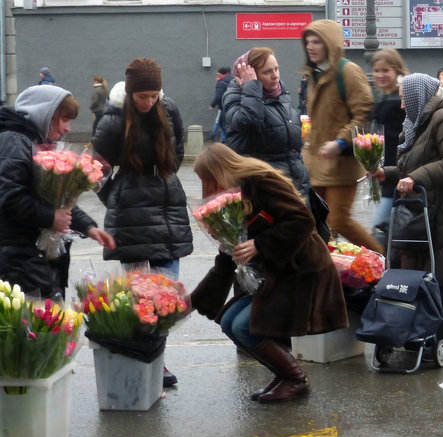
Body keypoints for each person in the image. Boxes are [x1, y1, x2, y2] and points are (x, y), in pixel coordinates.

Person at [190, 143, 347, 404]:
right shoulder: (230, 196)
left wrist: (260, 245)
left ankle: (296, 380)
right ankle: (283, 375)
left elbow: (302, 219)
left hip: (300, 266)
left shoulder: (261, 181)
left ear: (220, 170)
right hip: (275, 271)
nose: (207, 185)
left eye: (207, 178)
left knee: (245, 326)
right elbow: (227, 257)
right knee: (229, 323)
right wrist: (193, 301)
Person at [92, 58, 193, 388]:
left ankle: (157, 360)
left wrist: (165, 173)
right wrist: (115, 195)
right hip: (132, 212)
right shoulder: (113, 119)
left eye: (154, 96)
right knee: (142, 298)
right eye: (143, 97)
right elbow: (97, 167)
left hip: (168, 204)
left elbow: (177, 148)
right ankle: (150, 362)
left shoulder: (169, 109)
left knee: (168, 295)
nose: (149, 103)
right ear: (131, 92)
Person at [374, 73, 443, 357]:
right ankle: (422, 334)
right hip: (424, 210)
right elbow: (417, 163)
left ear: (418, 96)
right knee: (422, 272)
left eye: (405, 99)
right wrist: (390, 173)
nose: (402, 106)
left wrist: (416, 178)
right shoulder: (420, 122)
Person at [0, 86, 115, 299]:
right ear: (44, 114)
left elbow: (56, 198)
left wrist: (88, 226)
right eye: (63, 120)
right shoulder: (15, 142)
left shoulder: (36, 142)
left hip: (32, 256)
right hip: (17, 256)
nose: (67, 128)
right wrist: (51, 217)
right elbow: (9, 196)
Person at [301, 19, 383, 254]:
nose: (310, 46)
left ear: (330, 43)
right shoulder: (314, 74)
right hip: (315, 163)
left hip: (340, 165)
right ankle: (331, 274)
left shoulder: (347, 71)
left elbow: (365, 111)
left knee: (338, 220)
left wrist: (339, 142)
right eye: (308, 41)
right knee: (315, 224)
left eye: (316, 41)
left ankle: (382, 260)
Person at [221, 48, 309, 196]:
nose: (275, 76)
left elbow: (292, 151)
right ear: (250, 75)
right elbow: (249, 121)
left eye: (276, 69)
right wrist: (252, 86)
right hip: (264, 190)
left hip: (294, 188)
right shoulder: (235, 97)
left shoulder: (282, 95)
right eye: (267, 72)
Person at [370, 48, 407, 246]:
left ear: (397, 71)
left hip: (395, 174)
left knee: (379, 232)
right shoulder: (390, 97)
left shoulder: (396, 102)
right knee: (386, 232)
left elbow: (396, 142)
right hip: (392, 173)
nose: (380, 75)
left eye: (385, 70)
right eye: (376, 70)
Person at [209, 66, 232, 142]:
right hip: (232, 106)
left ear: (220, 74)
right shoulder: (233, 80)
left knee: (221, 122)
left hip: (223, 107)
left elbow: (218, 96)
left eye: (217, 74)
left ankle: (222, 139)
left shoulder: (221, 82)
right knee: (227, 123)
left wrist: (212, 104)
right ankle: (225, 139)